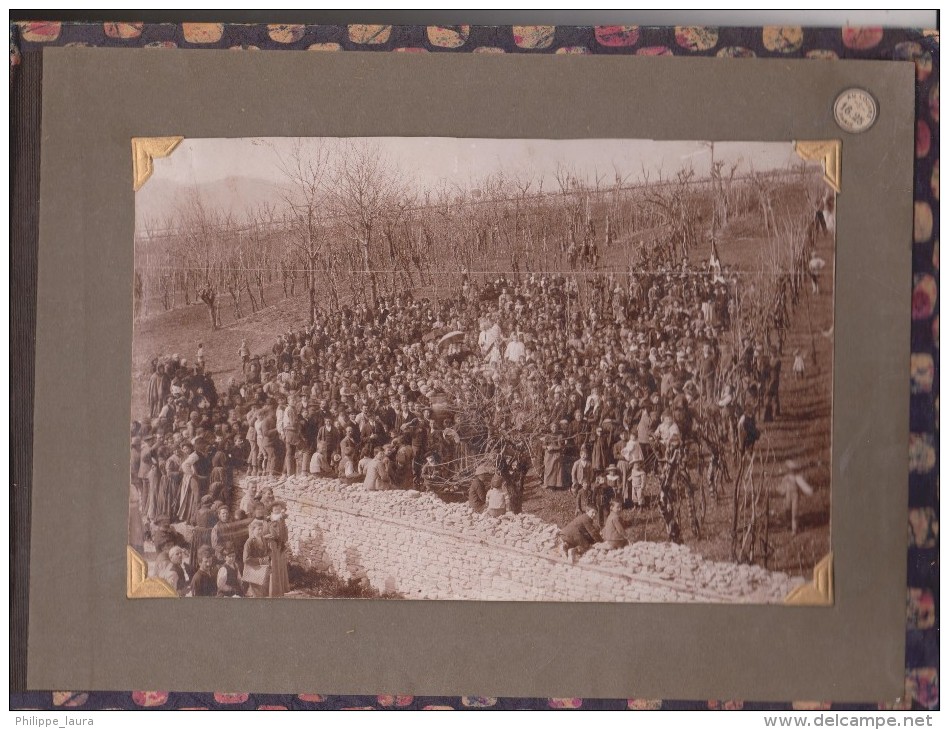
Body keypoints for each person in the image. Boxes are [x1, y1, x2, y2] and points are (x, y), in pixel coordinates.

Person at [267, 502, 291, 598]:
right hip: (272, 545)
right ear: (272, 510)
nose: (277, 510)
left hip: (280, 545)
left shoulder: (281, 519)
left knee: (280, 566)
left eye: (278, 508)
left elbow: (284, 531)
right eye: (275, 508)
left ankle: (280, 589)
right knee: (274, 567)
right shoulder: (269, 520)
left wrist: (284, 541)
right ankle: (273, 590)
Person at [242, 519, 271, 598]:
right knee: (257, 593)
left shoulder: (263, 539)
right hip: (254, 570)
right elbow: (246, 559)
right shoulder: (249, 542)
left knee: (264, 592)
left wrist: (268, 556)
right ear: (253, 530)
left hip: (263, 569)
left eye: (262, 529)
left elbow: (268, 550)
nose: (261, 531)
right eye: (258, 529)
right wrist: (260, 560)